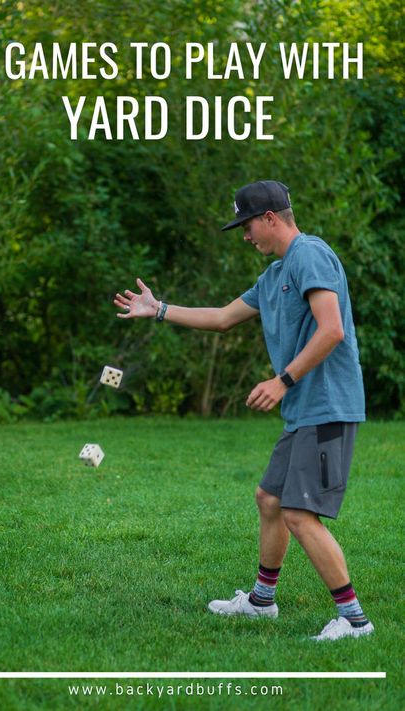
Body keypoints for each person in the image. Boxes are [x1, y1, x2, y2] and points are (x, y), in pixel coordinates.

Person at [113, 180, 374, 641]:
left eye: (247, 225)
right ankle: (261, 601)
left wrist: (282, 380)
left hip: (328, 405)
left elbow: (331, 329)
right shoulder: (274, 276)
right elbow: (221, 317)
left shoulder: (309, 255)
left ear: (271, 217)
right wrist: (159, 309)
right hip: (304, 410)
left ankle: (355, 619)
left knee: (299, 512)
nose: (245, 235)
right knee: (270, 499)